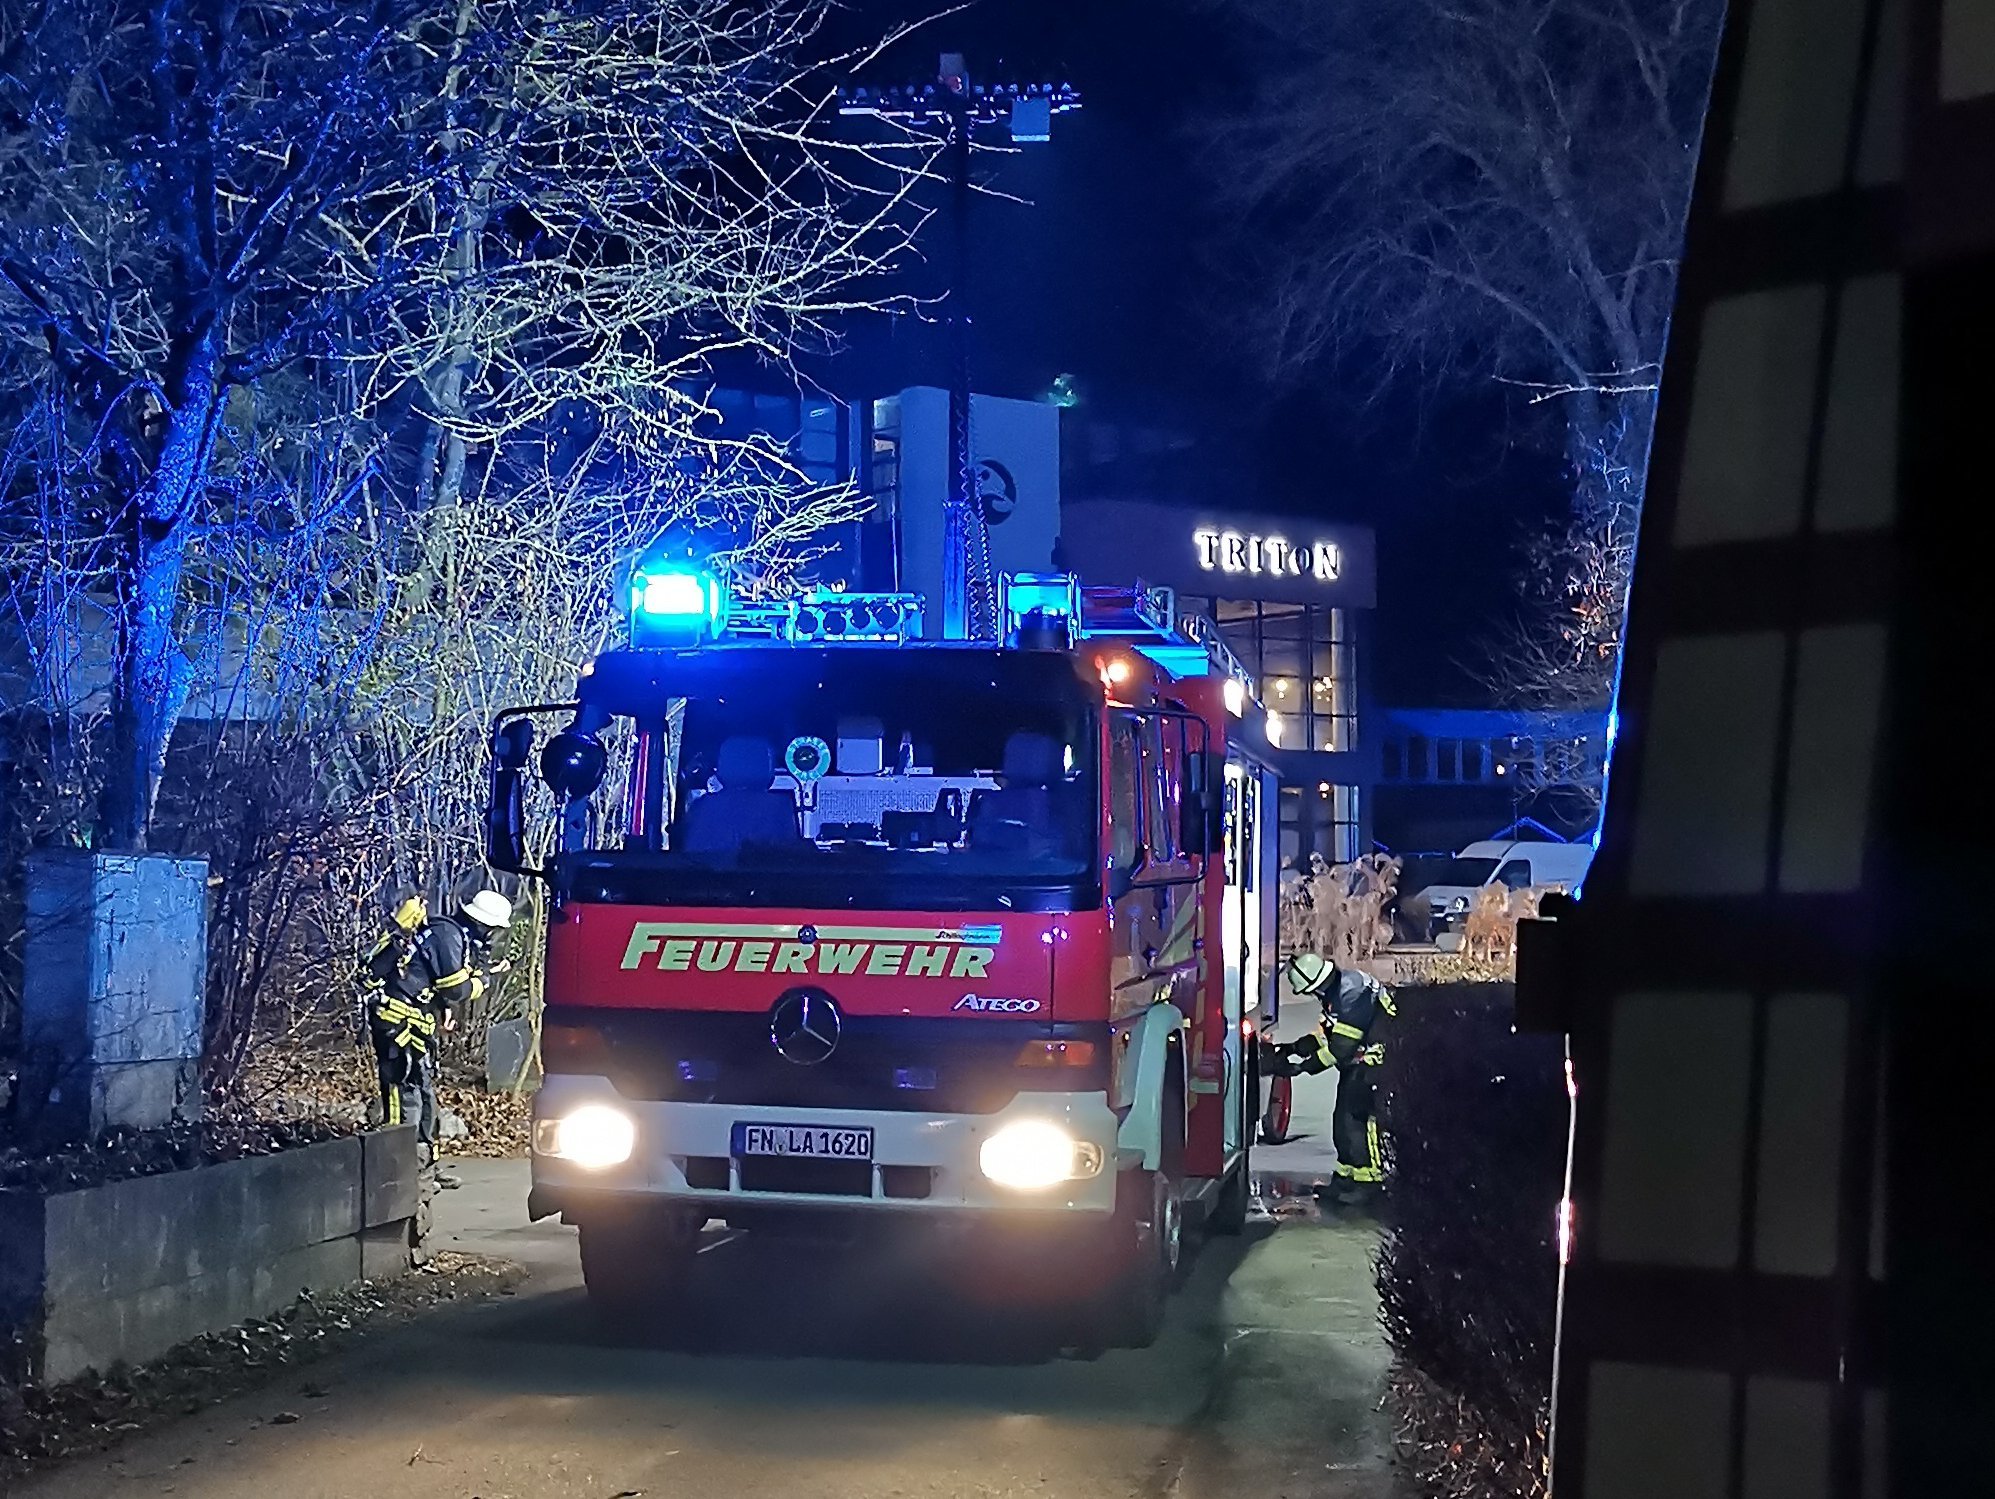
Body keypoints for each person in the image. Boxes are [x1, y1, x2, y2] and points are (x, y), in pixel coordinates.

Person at [358, 887, 514, 1180]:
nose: (492, 936)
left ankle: (424, 1165)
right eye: (493, 929)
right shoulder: (448, 935)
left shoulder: (453, 935)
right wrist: (485, 980)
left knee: (425, 1094)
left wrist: (443, 1007)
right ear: (484, 924)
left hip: (415, 1021)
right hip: (396, 1021)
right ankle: (395, 1171)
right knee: (401, 1096)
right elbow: (455, 987)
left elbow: (434, 981)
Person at [1271, 951, 1397, 1205]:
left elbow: (1341, 1048)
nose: (1311, 996)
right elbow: (1328, 1036)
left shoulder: (1353, 992)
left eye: (1310, 992)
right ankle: (1345, 1178)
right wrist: (1295, 1047)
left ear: (1317, 985)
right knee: (1341, 1120)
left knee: (1359, 1120)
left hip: (1378, 1062)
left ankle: (1369, 1183)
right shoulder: (1335, 993)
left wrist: (1302, 1068)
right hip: (1359, 1062)